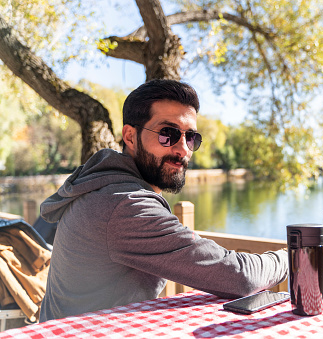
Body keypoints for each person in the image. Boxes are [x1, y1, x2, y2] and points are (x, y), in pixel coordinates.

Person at [39, 79, 288, 322]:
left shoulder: (103, 187)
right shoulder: (125, 204)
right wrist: (291, 258)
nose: (182, 149)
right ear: (130, 137)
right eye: (167, 134)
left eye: (190, 138)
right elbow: (240, 277)